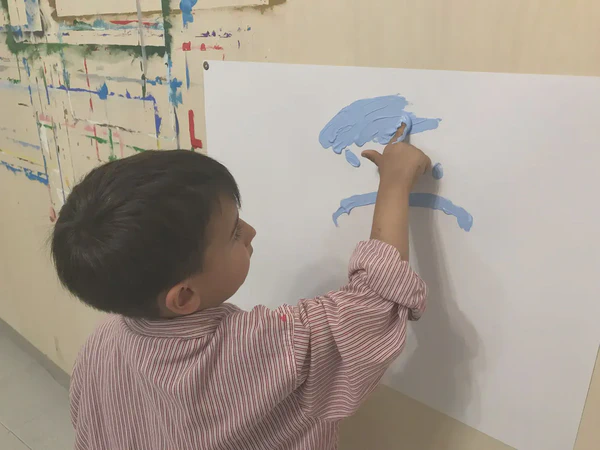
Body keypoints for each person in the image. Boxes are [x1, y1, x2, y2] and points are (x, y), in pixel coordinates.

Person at [51, 124, 430, 450]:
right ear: (184, 296)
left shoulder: (101, 344)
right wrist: (395, 184)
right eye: (234, 232)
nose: (251, 231)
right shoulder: (262, 347)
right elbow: (375, 301)